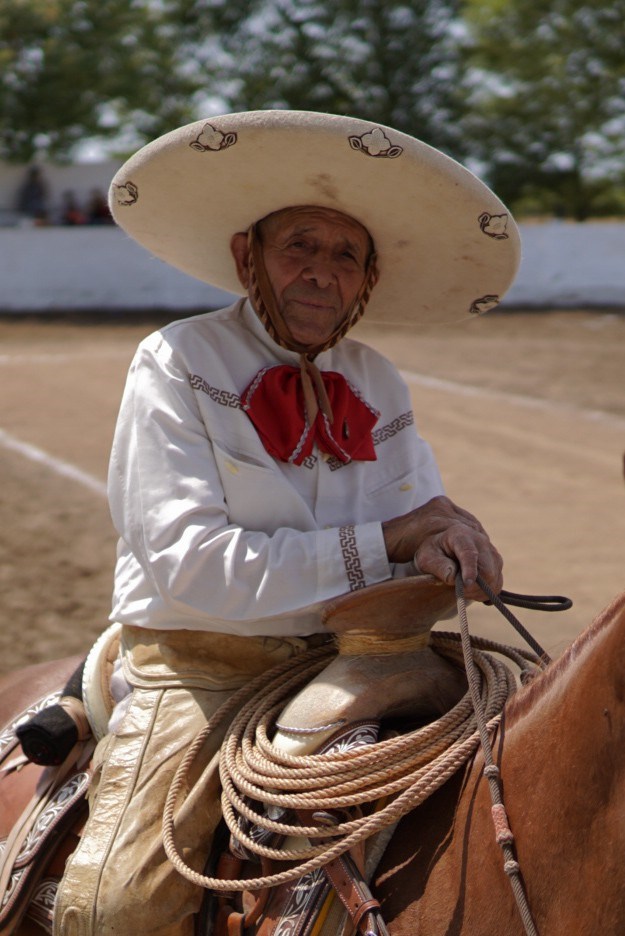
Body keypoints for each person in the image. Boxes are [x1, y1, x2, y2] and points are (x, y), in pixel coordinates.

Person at [53, 110, 520, 935]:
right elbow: (191, 566)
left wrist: (448, 541)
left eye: (346, 255)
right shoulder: (180, 360)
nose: (320, 273)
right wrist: (387, 542)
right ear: (248, 258)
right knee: (116, 909)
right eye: (298, 245)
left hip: (365, 654)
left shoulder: (377, 379)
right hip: (204, 663)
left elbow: (416, 519)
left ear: (367, 278)